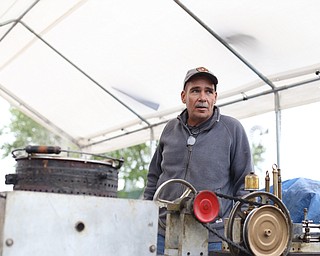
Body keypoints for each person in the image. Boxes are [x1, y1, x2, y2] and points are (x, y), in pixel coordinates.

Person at [143, 67, 253, 255]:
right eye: (195, 91)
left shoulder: (232, 129)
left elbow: (245, 185)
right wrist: (144, 218)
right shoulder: (170, 129)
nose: (202, 97)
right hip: (163, 232)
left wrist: (237, 230)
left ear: (215, 97)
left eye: (208, 91)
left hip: (212, 237)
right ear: (183, 96)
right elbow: (154, 178)